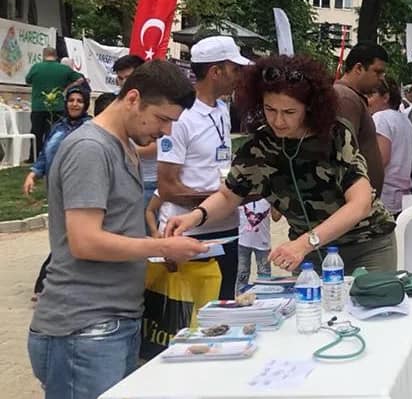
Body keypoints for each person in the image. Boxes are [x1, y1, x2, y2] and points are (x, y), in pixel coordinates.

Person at [28, 60, 207, 399]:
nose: (166, 130)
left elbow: (116, 223)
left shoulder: (121, 143)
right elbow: (85, 240)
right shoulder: (91, 149)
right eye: (161, 118)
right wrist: (158, 248)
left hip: (109, 323)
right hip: (84, 328)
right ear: (133, 98)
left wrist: (158, 240)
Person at [166, 55, 398, 275]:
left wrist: (305, 243)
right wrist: (194, 217)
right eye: (270, 110)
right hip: (308, 252)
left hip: (366, 244)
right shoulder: (260, 146)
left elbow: (360, 203)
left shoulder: (335, 135)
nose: (278, 120)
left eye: (289, 112)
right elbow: (229, 195)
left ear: (309, 107)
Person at [157, 36, 250, 299]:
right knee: (189, 316)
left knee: (223, 311)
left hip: (227, 229)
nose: (239, 77)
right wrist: (215, 203)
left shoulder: (222, 108)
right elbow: (167, 185)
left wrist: (231, 197)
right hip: (191, 233)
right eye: (235, 70)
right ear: (215, 72)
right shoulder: (180, 116)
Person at [24, 85, 93, 300]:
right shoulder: (58, 127)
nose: (74, 104)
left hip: (80, 190)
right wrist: (33, 174)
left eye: (79, 101)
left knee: (70, 235)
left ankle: (47, 283)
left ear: (86, 104)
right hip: (55, 190)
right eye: (71, 100)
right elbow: (45, 153)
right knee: (60, 236)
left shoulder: (90, 127)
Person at [335, 41, 387, 196]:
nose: (381, 79)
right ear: (358, 68)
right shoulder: (346, 99)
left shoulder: (351, 97)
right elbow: (344, 155)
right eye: (377, 72)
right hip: (354, 201)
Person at [367, 77, 412, 216]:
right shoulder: (404, 120)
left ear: (385, 97)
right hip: (401, 194)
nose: (367, 100)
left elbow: (381, 159)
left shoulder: (380, 118)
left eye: (371, 95)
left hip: (385, 195)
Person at [114, 55, 157, 204]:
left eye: (128, 77)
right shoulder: (114, 103)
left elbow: (158, 146)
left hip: (149, 181)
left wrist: (120, 151)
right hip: (122, 180)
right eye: (120, 78)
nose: (124, 82)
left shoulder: (155, 103)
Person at [25, 47, 84, 151]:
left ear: (43, 55)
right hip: (58, 106)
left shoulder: (36, 67)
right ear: (56, 56)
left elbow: (28, 80)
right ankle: (52, 154)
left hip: (38, 106)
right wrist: (67, 89)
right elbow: (80, 79)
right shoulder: (64, 69)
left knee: (36, 132)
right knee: (54, 133)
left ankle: (33, 156)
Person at [236, 198, 274, 294]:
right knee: (241, 272)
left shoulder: (268, 196)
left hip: (263, 242)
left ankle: (264, 298)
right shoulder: (241, 196)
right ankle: (240, 297)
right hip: (242, 241)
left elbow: (276, 217)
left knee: (264, 274)